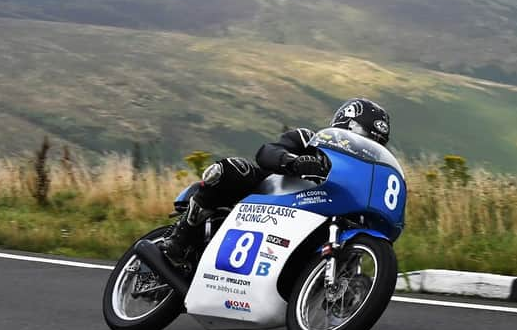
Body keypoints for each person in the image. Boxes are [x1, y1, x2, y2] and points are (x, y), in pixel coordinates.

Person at [162, 97, 391, 266]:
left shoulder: (357, 176)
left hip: (314, 213)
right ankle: (181, 237)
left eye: (376, 141)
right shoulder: (309, 139)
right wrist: (294, 162)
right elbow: (267, 152)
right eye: (365, 134)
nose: (368, 142)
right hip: (268, 198)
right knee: (234, 169)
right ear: (345, 125)